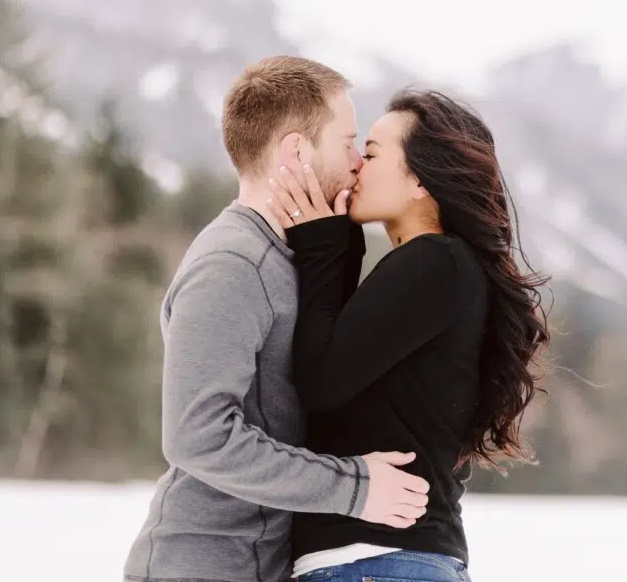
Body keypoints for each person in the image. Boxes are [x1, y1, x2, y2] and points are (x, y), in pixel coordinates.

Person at [124, 57, 431, 582]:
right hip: (199, 567)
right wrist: (353, 487)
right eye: (347, 142)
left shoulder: (286, 258)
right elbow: (198, 436)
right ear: (297, 151)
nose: (357, 161)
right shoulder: (231, 263)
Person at [263, 89, 551, 582]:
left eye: (372, 153)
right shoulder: (442, 269)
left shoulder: (434, 262)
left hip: (374, 561)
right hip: (390, 560)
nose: (357, 165)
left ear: (419, 179)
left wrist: (323, 246)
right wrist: (341, 246)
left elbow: (320, 380)